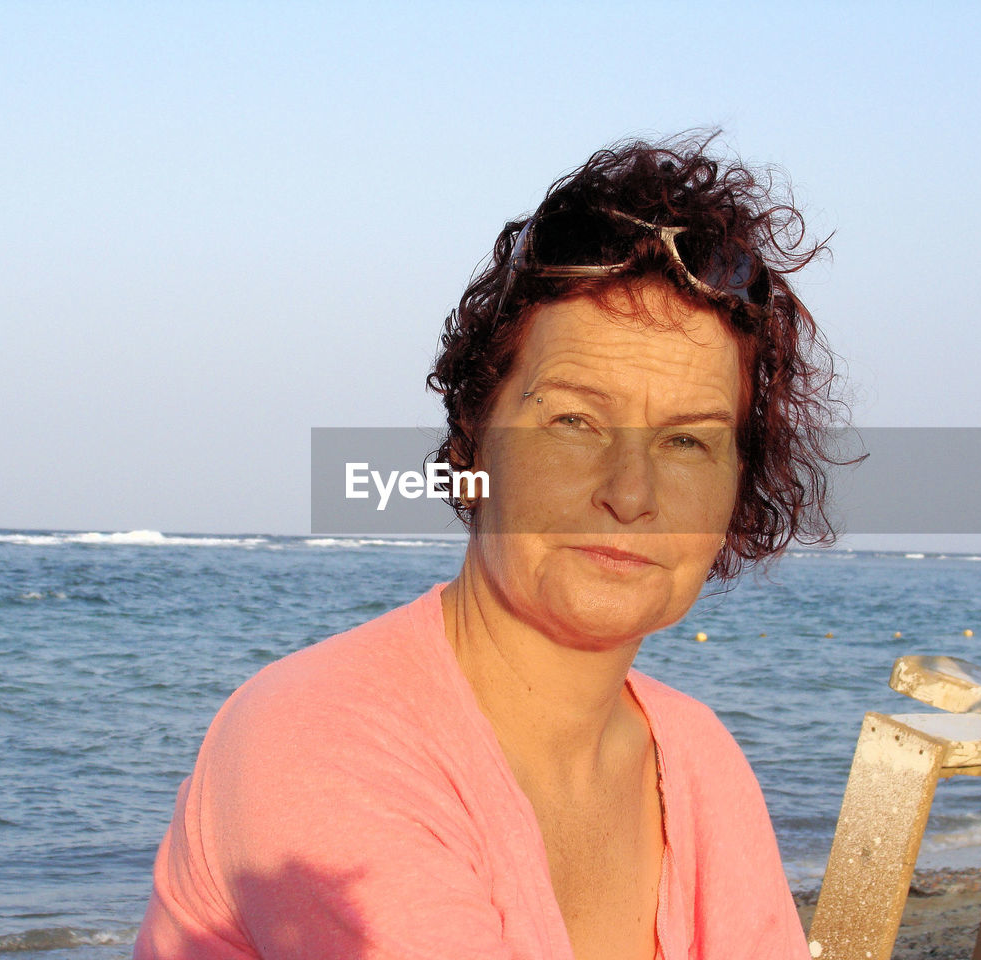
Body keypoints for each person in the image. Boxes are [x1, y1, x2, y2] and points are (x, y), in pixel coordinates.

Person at [135, 134, 842, 960]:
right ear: (474, 446)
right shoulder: (319, 736)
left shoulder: (699, 761)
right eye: (573, 422)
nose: (631, 494)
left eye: (688, 442)